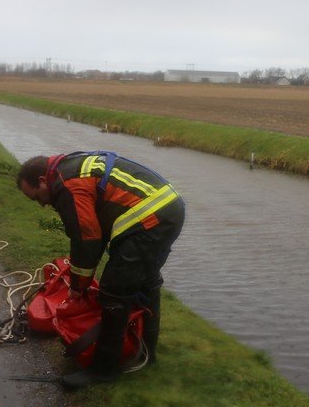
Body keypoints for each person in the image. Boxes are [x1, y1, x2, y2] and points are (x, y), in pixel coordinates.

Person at [16, 151, 185, 389]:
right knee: (145, 282)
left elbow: (87, 238)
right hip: (168, 209)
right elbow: (96, 225)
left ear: (43, 181)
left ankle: (104, 370)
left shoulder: (66, 185)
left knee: (114, 291)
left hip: (150, 219)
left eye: (36, 198)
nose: (42, 204)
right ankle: (147, 353)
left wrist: (78, 286)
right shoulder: (70, 169)